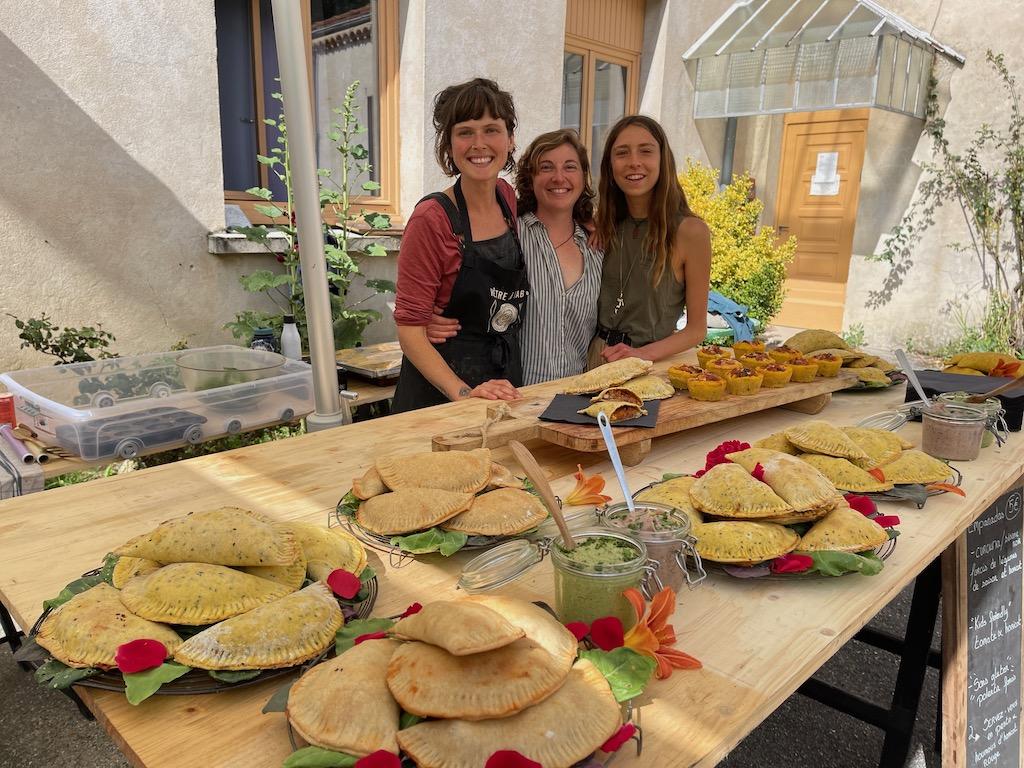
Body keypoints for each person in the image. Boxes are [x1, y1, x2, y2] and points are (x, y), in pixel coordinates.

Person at [391, 78, 529, 412]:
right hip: (441, 395)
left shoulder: (507, 198)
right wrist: (464, 395)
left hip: (500, 378)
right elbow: (410, 333)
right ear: (449, 146)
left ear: (510, 140)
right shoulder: (432, 219)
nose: (479, 144)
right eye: (465, 132)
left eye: (491, 130)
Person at [427, 129, 602, 385]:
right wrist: (428, 321)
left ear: (583, 177)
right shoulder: (509, 233)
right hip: (512, 397)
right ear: (530, 178)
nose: (559, 177)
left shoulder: (598, 247)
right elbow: (461, 291)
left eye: (570, 167)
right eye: (546, 167)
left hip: (574, 400)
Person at [591, 114, 712, 365]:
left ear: (662, 160)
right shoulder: (603, 224)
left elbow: (696, 330)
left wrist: (642, 355)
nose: (634, 162)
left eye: (645, 151)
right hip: (594, 359)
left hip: (649, 363)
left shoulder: (690, 232)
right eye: (622, 153)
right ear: (610, 165)